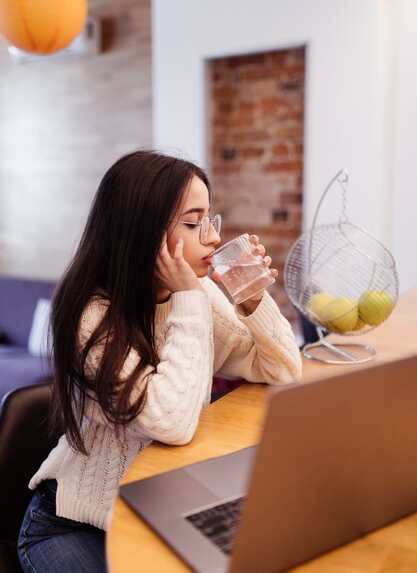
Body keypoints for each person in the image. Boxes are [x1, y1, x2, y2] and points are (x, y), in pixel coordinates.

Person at [18, 149, 302, 572]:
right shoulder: (90, 316)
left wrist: (253, 297)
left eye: (209, 220)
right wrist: (190, 301)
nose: (211, 238)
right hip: (74, 522)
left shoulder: (194, 296)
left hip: (157, 509)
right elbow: (169, 421)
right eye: (192, 223)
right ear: (141, 231)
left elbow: (281, 369)